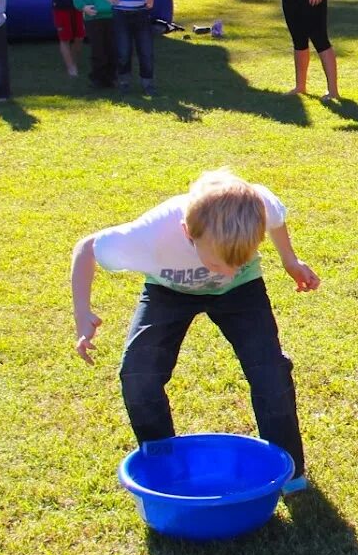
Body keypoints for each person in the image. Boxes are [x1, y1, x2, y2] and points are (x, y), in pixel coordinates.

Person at [71, 168, 319, 493]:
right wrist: (82, 313)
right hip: (169, 290)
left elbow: (276, 218)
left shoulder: (257, 205)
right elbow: (86, 248)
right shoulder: (148, 234)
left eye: (240, 260)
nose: (228, 273)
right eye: (218, 264)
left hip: (242, 294)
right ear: (188, 232)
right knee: (139, 373)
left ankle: (289, 470)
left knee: (269, 371)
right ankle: (163, 466)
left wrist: (289, 260)